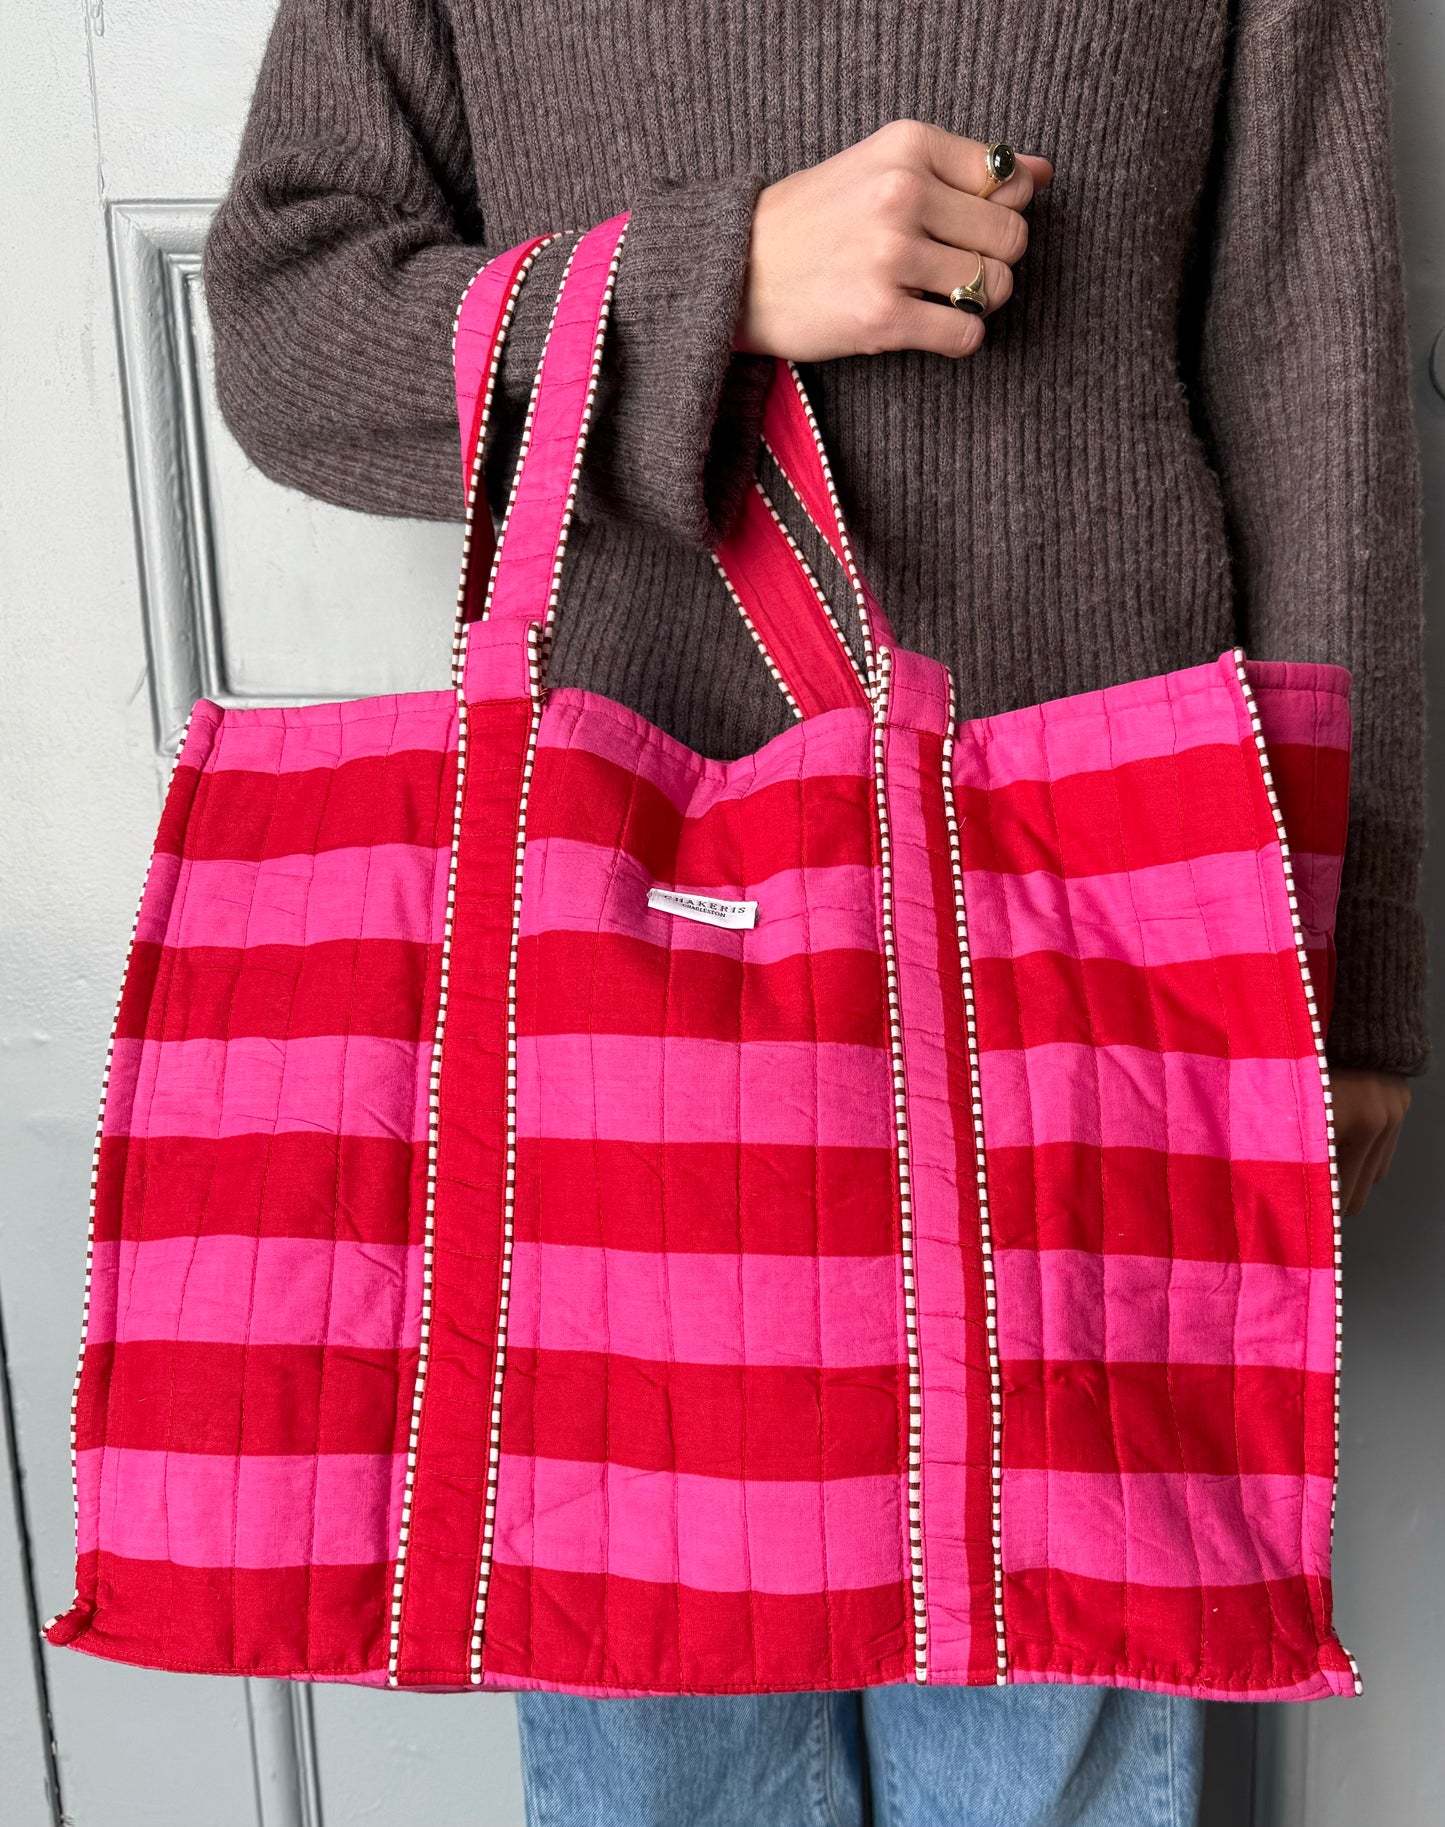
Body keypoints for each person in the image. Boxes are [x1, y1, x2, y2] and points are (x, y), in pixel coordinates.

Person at [203, 3, 1424, 1822]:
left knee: (1043, 1760)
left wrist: (1351, 970)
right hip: (611, 995)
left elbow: (1314, 388)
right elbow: (293, 334)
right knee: (661, 1764)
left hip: (1097, 983)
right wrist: (714, 281)